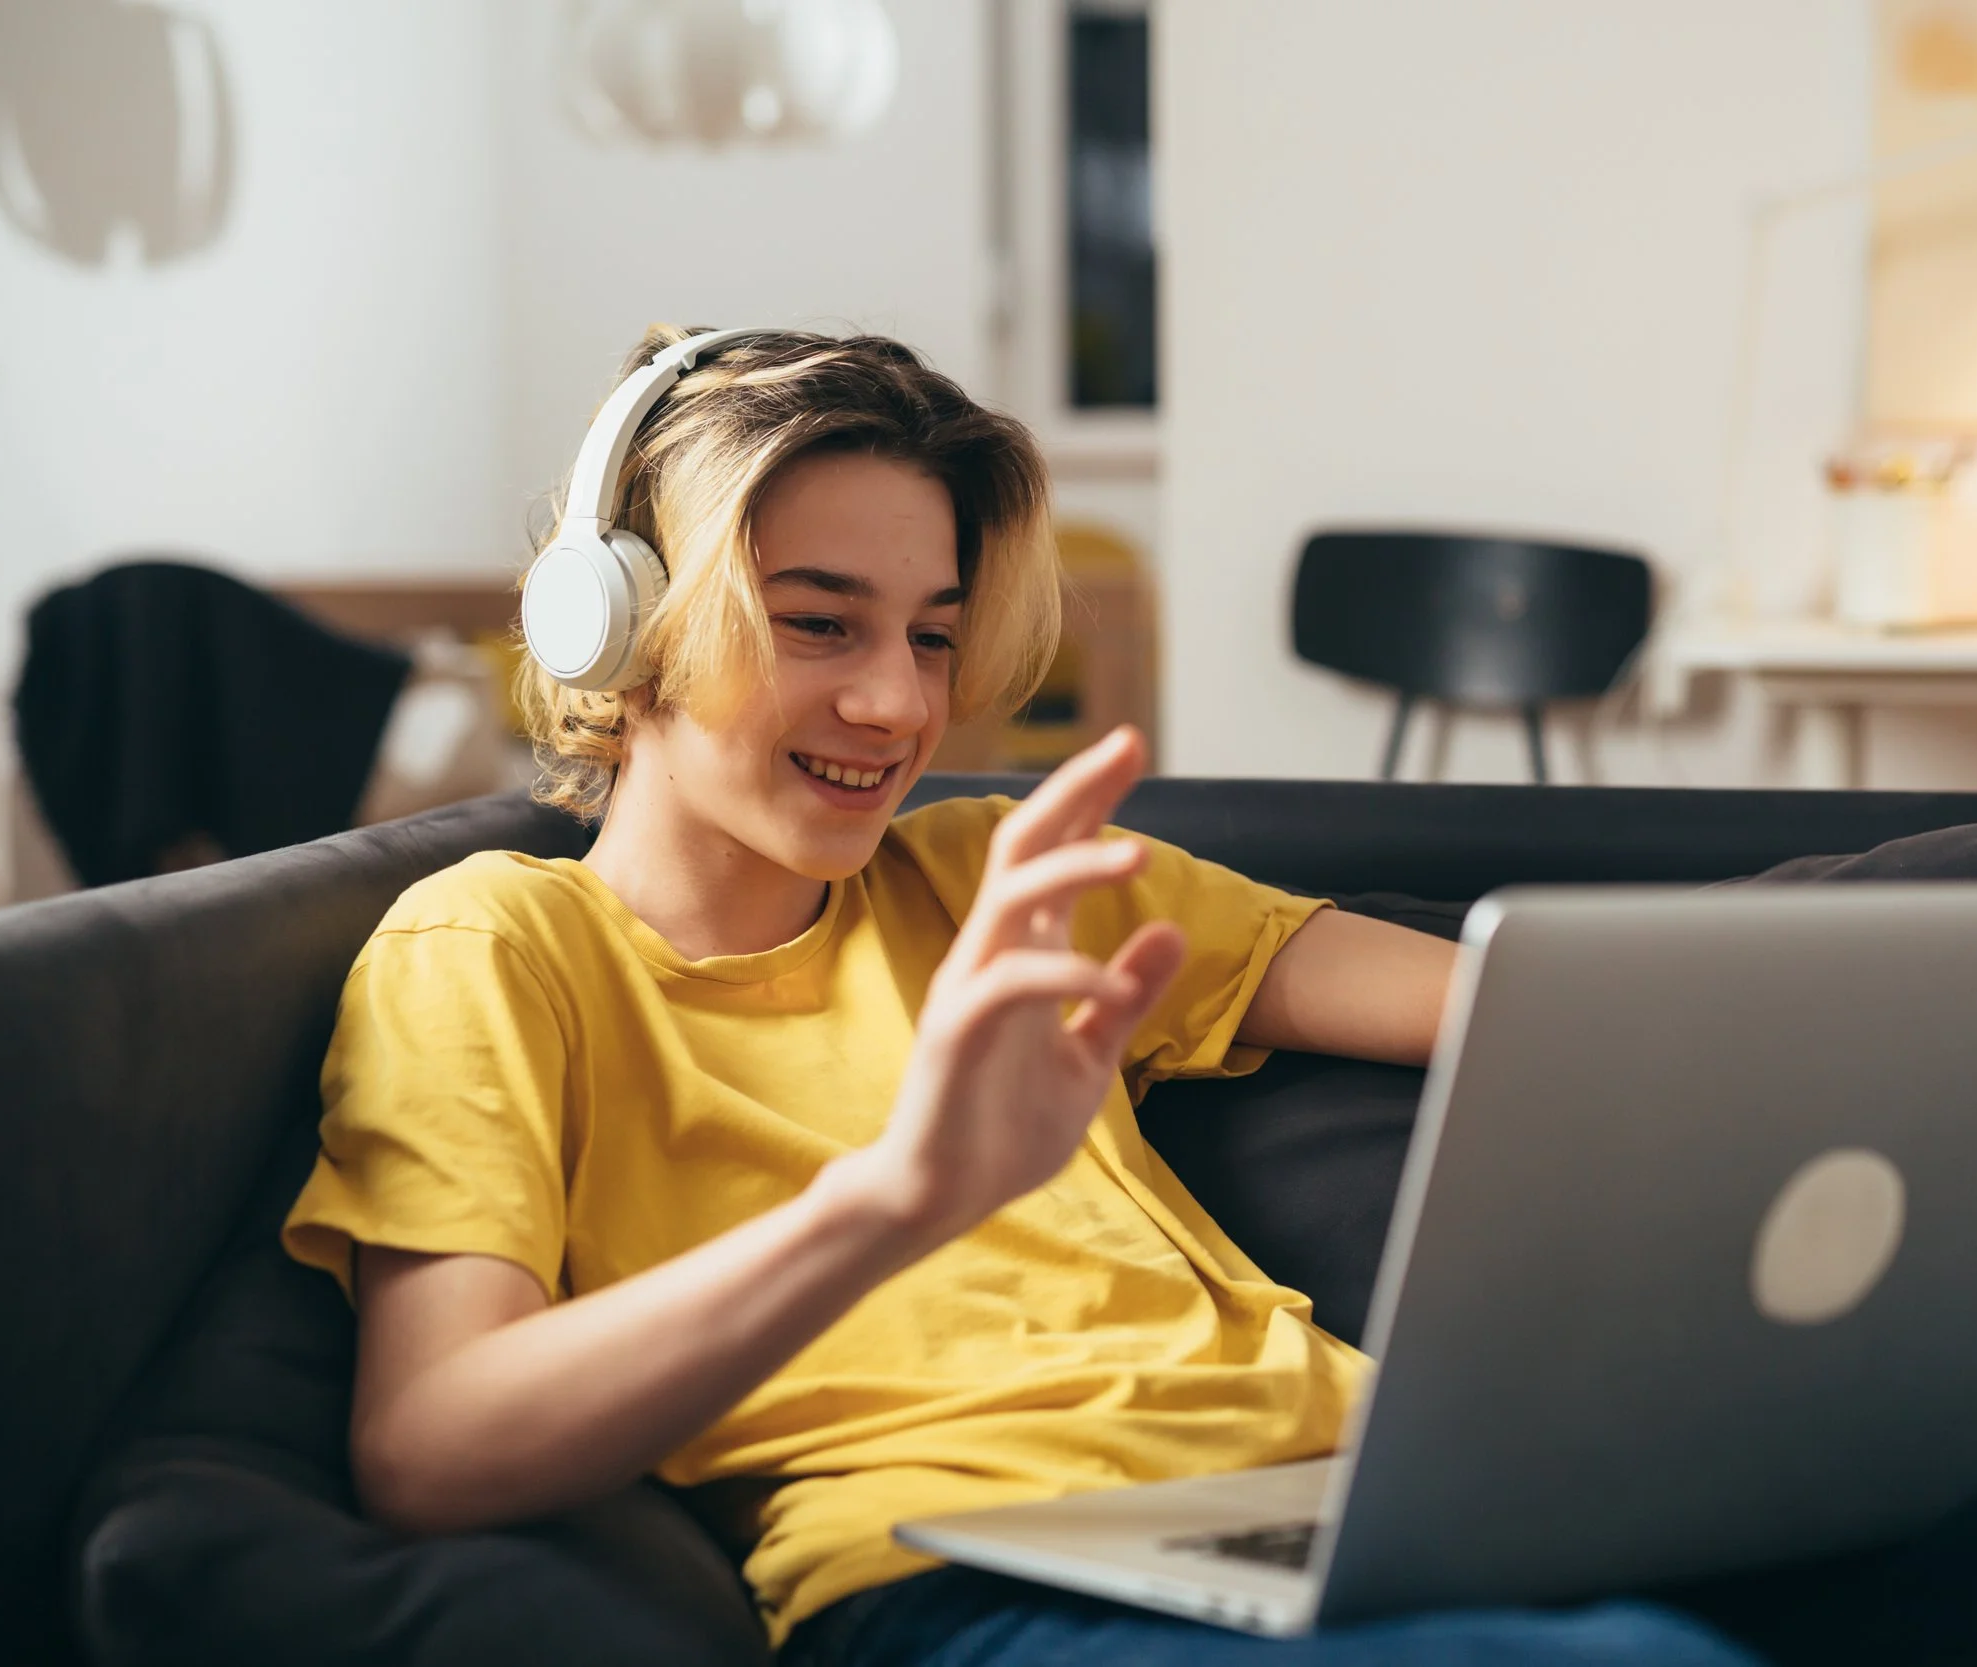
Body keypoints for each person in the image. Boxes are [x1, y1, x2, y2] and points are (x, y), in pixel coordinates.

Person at [281, 326, 1753, 1666]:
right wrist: (897, 1195)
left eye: (930, 632)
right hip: (972, 1582)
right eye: (819, 622)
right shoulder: (493, 946)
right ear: (614, 623)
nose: (902, 705)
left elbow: (1533, 1011)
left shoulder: (998, 868)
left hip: (1366, 1498)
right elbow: (431, 1443)